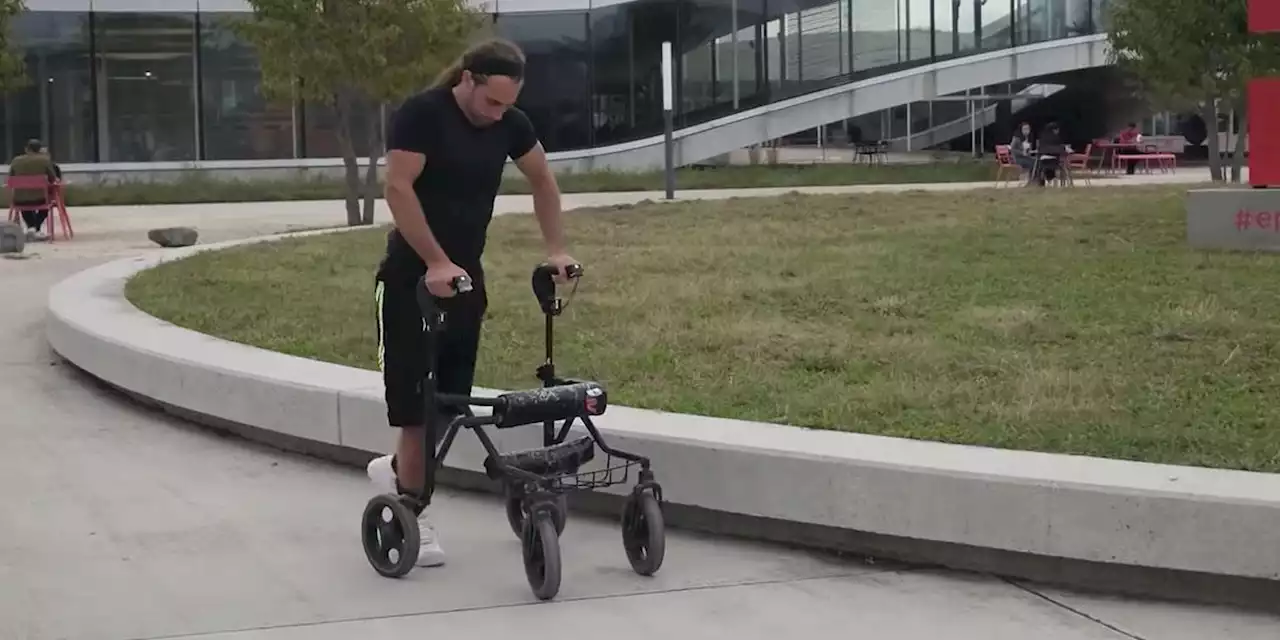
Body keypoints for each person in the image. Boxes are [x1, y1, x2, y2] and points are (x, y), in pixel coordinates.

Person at [365, 38, 579, 568]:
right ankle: (413, 507)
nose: (498, 114)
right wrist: (435, 260)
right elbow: (398, 189)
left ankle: (395, 470)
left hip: (465, 279)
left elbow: (543, 181)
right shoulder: (422, 115)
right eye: (491, 102)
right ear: (467, 80)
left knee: (449, 402)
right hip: (410, 279)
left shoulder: (511, 124)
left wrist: (557, 249)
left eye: (507, 104)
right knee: (417, 408)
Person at [8, 139, 57, 241]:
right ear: (39, 150)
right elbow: (53, 179)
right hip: (40, 198)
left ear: (27, 149)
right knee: (47, 204)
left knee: (24, 203)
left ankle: (32, 228)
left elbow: (10, 178)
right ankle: (35, 228)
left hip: (19, 199)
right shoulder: (45, 160)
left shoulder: (16, 160)